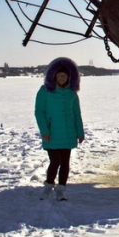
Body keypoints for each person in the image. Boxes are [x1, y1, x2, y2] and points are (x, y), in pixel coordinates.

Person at [35, 57, 85, 201]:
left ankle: (61, 190)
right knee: (55, 161)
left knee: (65, 164)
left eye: (65, 76)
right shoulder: (45, 91)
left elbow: (77, 114)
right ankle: (48, 187)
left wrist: (80, 132)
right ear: (54, 76)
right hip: (52, 134)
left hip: (69, 134)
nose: (62, 78)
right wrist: (45, 131)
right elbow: (39, 112)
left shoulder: (72, 94)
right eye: (60, 75)